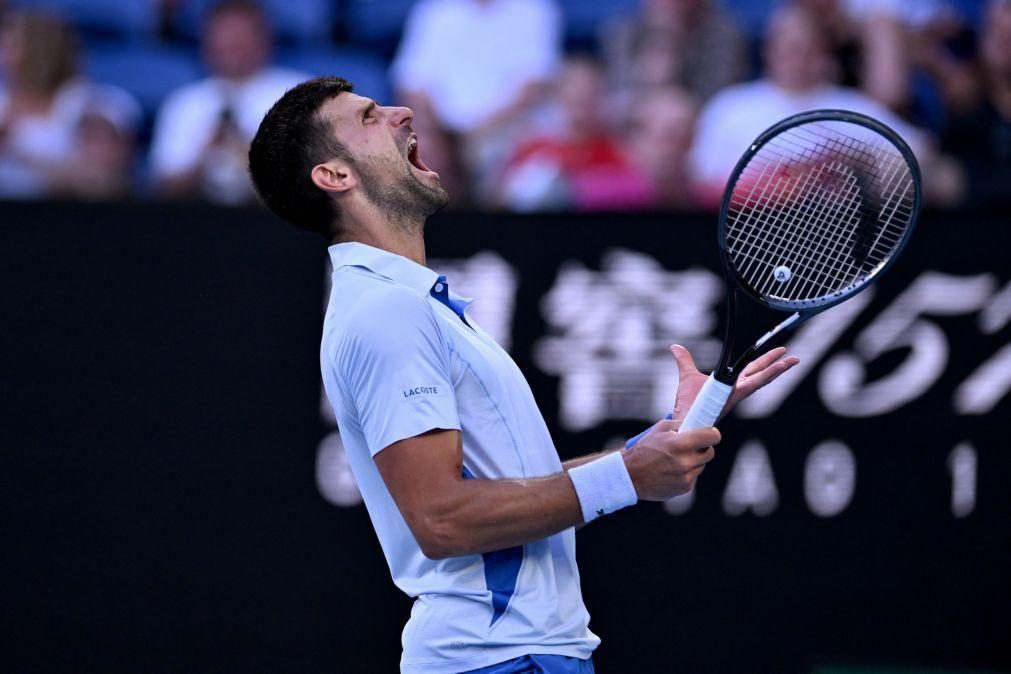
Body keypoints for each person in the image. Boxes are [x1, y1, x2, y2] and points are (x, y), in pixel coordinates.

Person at [248, 77, 798, 674]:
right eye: (370, 116)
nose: (402, 113)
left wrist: (654, 446)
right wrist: (627, 476)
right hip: (495, 660)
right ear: (335, 176)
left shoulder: (409, 305)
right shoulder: (386, 311)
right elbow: (441, 518)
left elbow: (511, 484)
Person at [688, 4, 959, 207]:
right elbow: (702, 181)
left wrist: (856, 164)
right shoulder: (729, 107)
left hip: (841, 241)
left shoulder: (853, 107)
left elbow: (919, 154)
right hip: (750, 233)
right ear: (769, 50)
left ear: (825, 54)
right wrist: (796, 182)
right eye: (790, 48)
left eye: (808, 49)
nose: (798, 60)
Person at [149, 0, 305, 204]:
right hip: (199, 217)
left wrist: (253, 159)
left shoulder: (299, 95)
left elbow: (311, 183)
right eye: (223, 39)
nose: (231, 47)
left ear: (264, 40)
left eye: (240, 40)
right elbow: (162, 188)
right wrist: (205, 156)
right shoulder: (184, 103)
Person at [0, 10, 141, 199]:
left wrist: (17, 152)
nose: (5, 54)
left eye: (13, 44)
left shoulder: (92, 105)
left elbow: (103, 183)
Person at [493, 56, 652, 212]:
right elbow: (501, 197)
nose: (580, 94)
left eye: (589, 90)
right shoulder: (533, 148)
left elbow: (640, 195)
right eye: (573, 88)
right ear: (559, 95)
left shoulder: (616, 152)